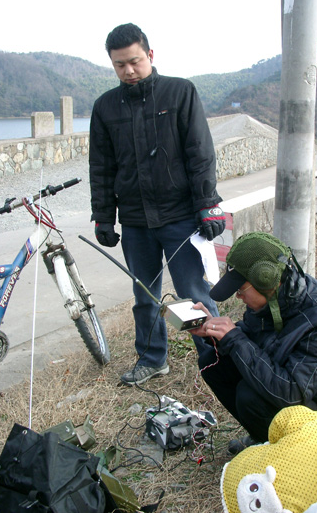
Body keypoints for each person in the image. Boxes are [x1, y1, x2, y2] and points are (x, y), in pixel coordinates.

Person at [89, 23, 225, 386]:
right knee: (144, 295)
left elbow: (200, 154)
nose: (128, 70)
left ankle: (216, 359)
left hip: (180, 216)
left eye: (134, 61)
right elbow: (101, 167)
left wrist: (208, 205)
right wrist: (104, 218)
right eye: (120, 65)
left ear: (150, 55)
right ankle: (152, 359)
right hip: (135, 222)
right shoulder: (104, 108)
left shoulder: (180, 93)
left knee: (193, 294)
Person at [191, 231, 317, 452]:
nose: (238, 297)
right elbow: (254, 336)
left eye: (240, 289)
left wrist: (235, 339)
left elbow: (291, 393)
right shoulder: (276, 299)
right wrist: (215, 333)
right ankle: (265, 439)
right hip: (299, 390)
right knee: (214, 362)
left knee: (250, 396)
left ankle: (297, 454)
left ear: (265, 279)